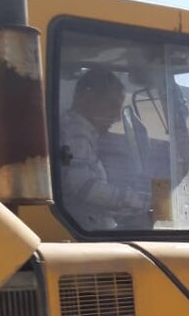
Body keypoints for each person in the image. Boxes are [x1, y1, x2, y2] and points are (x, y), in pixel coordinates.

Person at [59, 68, 151, 230]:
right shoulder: (76, 133)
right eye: (112, 105)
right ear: (87, 99)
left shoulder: (76, 131)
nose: (117, 117)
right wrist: (132, 199)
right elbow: (84, 186)